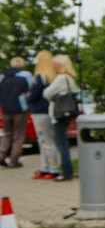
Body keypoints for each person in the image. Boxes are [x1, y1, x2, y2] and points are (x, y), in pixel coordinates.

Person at [42, 55, 79, 182]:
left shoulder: (60, 78)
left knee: (61, 143)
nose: (53, 67)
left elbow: (46, 93)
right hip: (67, 112)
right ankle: (67, 170)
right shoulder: (70, 78)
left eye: (55, 64)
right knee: (63, 142)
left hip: (58, 114)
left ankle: (66, 172)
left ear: (61, 65)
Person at [27, 51, 61, 179]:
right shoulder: (53, 77)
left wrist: (28, 94)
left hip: (39, 112)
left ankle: (52, 169)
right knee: (46, 140)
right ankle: (45, 168)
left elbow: (32, 95)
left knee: (45, 141)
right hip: (49, 111)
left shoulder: (40, 77)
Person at [0, 57, 31, 168]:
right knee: (18, 135)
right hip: (20, 109)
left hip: (5, 109)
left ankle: (2, 155)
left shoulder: (3, 76)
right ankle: (14, 160)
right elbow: (31, 90)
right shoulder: (26, 75)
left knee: (6, 133)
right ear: (22, 65)